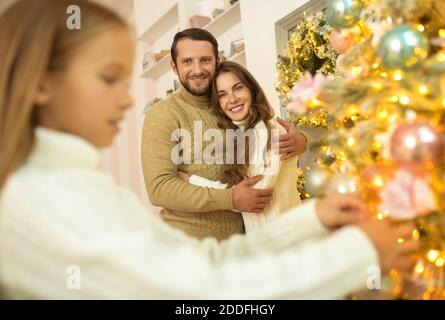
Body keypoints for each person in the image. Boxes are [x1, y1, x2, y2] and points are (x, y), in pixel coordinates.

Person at [0, 0, 419, 299]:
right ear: (40, 84)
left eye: (209, 64)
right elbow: (200, 285)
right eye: (109, 78)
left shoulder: (78, 182)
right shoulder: (48, 197)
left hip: (238, 241)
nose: (127, 100)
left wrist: (311, 215)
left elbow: (218, 263)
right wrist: (359, 252)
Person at [141, 28, 308, 240]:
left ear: (217, 60)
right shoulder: (163, 114)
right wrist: (229, 198)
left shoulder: (229, 108)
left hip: (244, 242)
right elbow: (159, 189)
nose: (197, 69)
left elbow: (263, 134)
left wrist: (301, 140)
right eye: (187, 62)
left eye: (205, 60)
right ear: (174, 66)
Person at [179, 61, 301, 232]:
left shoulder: (270, 130)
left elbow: (254, 196)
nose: (232, 99)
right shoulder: (240, 135)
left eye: (237, 88)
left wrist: (191, 180)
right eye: (222, 94)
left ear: (251, 90)